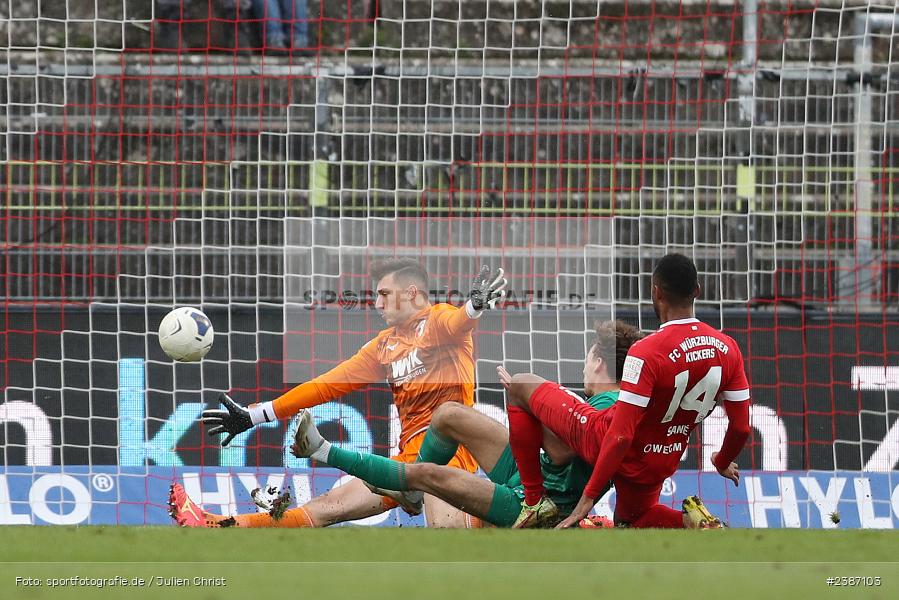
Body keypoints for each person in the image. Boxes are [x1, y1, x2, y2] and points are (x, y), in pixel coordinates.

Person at [169, 259, 506, 528]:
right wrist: (255, 415)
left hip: (448, 457)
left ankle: (522, 518)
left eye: (384, 294)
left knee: (449, 530)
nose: (376, 303)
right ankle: (220, 525)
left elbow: (457, 323)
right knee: (327, 507)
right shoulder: (383, 347)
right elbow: (327, 384)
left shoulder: (437, 320)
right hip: (403, 464)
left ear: (412, 293)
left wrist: (473, 308)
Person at [288, 320, 643, 528]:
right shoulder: (604, 403)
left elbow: (564, 450)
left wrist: (538, 407)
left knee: (432, 479)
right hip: (532, 472)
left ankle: (322, 450)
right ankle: (410, 491)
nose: (583, 366)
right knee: (448, 414)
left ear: (598, 361)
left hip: (537, 504)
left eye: (586, 358)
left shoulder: (610, 404)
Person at [506, 253, 752, 528]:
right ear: (697, 291)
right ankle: (694, 524)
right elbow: (741, 427)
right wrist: (722, 461)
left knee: (519, 385)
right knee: (633, 520)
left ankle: (534, 501)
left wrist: (586, 501)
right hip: (658, 460)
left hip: (601, 438)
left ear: (655, 292)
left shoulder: (647, 350)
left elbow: (620, 435)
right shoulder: (728, 347)